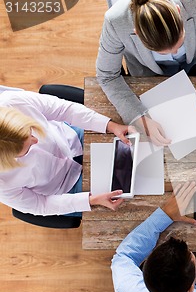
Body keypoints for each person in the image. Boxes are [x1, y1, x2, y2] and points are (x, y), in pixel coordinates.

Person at [96, 0, 196, 144]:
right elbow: (107, 76)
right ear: (138, 34)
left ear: (178, 11)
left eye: (180, 42)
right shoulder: (115, 21)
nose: (176, 52)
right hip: (148, 72)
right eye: (163, 52)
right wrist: (141, 119)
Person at [0, 88, 132, 216]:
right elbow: (41, 205)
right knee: (129, 200)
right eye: (27, 149)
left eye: (30, 131)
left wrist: (110, 126)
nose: (36, 141)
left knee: (135, 146)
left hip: (71, 138)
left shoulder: (12, 102)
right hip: (65, 188)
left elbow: (63, 109)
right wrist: (90, 200)